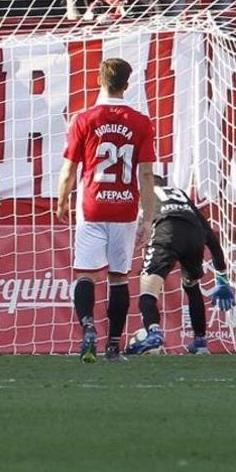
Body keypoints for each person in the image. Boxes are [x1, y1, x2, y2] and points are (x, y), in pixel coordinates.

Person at [55, 57, 156, 363]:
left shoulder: (84, 119)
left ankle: (87, 326)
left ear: (99, 80)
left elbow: (69, 169)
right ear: (127, 84)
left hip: (92, 206)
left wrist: (62, 200)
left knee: (86, 274)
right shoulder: (141, 122)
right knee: (118, 278)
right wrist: (148, 218)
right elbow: (147, 175)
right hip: (124, 209)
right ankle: (113, 346)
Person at [126, 177, 231, 355]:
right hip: (194, 235)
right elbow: (210, 235)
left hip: (166, 232)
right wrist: (222, 277)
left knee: (148, 291)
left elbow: (137, 228)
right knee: (192, 286)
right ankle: (200, 343)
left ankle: (153, 332)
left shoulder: (145, 194)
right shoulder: (180, 195)